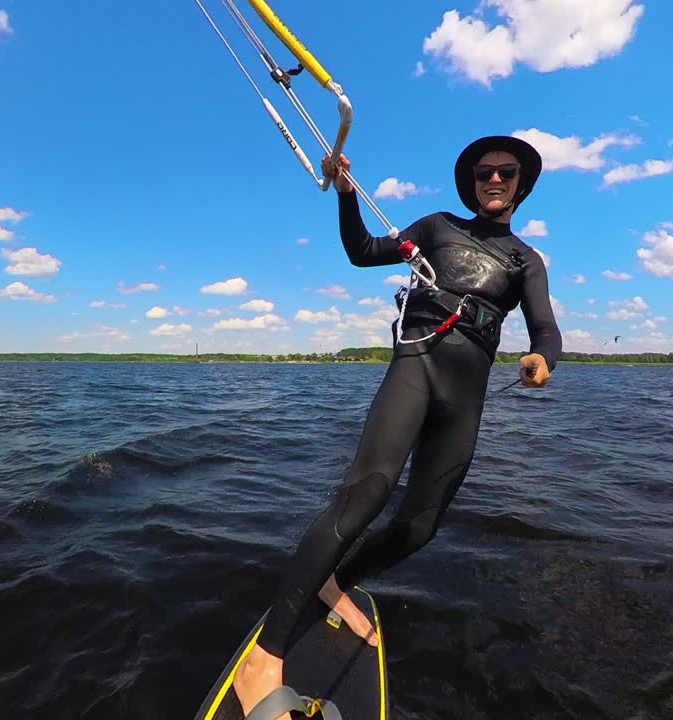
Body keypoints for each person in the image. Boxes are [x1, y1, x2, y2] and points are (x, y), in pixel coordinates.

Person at [233, 135, 563, 720]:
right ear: (472, 183)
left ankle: (338, 581)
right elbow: (361, 251)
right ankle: (266, 655)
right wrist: (344, 194)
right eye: (483, 172)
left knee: (420, 527)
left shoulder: (525, 262)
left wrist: (543, 359)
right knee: (368, 491)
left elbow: (545, 328)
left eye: (505, 172)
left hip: (466, 398)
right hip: (418, 365)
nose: (493, 179)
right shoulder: (435, 229)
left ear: (519, 184)